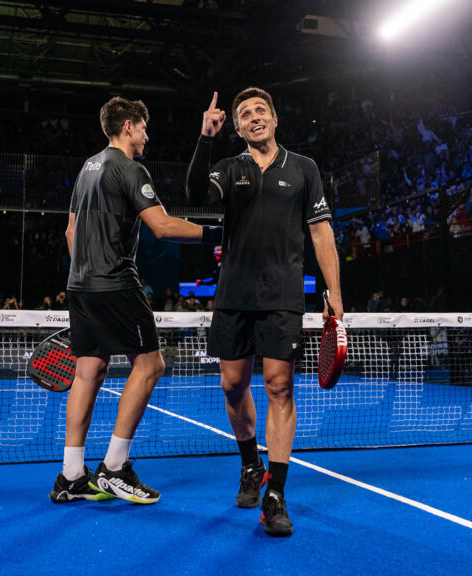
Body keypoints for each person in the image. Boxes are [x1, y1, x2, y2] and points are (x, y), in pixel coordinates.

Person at [50, 96, 223, 505]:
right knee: (150, 364)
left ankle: (71, 476)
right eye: (143, 127)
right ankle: (113, 468)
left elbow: (70, 233)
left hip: (81, 286)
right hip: (116, 283)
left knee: (88, 371)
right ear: (127, 126)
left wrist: (87, 275)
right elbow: (161, 227)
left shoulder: (87, 168)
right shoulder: (129, 168)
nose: (147, 135)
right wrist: (219, 235)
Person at [186, 89, 341, 537]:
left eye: (260, 111)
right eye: (244, 115)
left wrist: (334, 291)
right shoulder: (228, 168)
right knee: (233, 385)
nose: (254, 118)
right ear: (237, 128)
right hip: (233, 295)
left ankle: (276, 494)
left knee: (279, 386)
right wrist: (204, 138)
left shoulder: (304, 168)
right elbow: (195, 193)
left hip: (282, 296)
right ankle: (251, 463)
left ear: (274, 118)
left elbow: (321, 232)